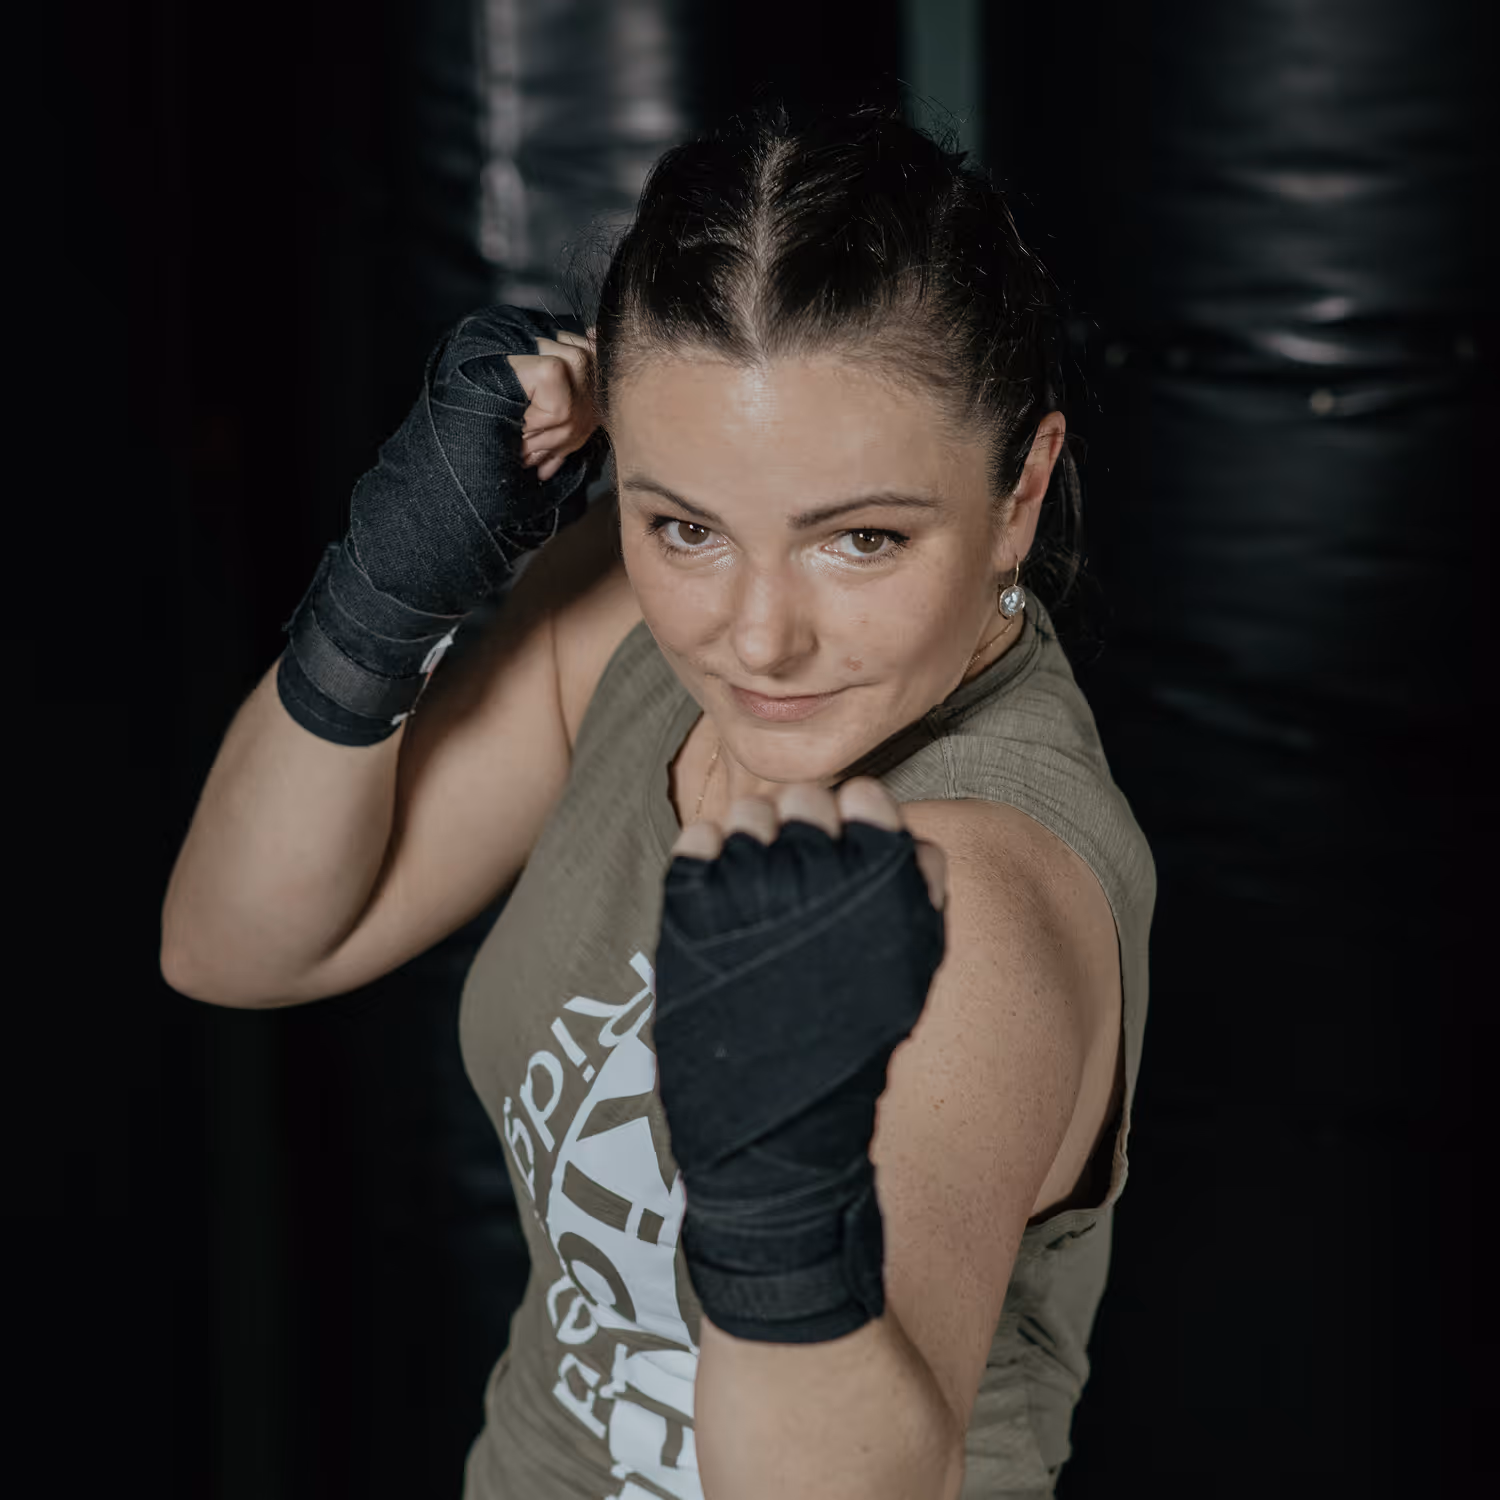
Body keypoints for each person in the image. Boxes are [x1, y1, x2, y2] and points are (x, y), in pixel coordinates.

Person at [162, 101, 1154, 1500]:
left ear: (1021, 490)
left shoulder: (974, 888)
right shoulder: (631, 632)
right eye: (687, 523)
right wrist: (378, 610)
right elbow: (238, 946)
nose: (757, 638)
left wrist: (770, 1187)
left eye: (860, 539)